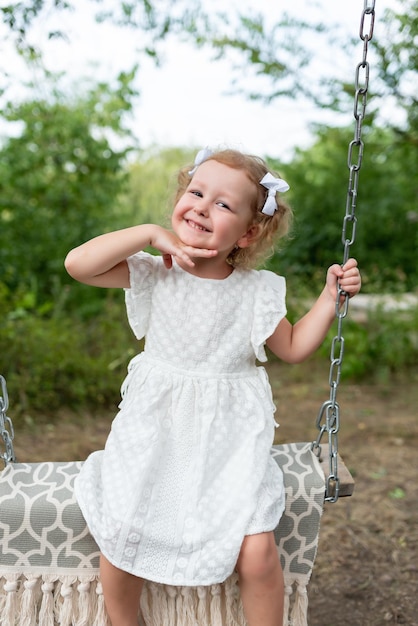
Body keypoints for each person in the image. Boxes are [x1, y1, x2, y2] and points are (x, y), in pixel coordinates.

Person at [65, 147, 361, 626]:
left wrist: (330, 298)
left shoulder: (255, 289)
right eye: (196, 192)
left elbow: (292, 346)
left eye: (223, 204)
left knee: (258, 551)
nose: (202, 206)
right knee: (120, 535)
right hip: (154, 430)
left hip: (229, 440)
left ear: (247, 232)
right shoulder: (154, 269)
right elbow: (78, 265)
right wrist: (148, 233)